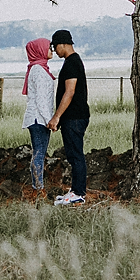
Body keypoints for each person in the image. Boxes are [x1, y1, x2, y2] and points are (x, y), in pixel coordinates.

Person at [48, 28, 90, 206]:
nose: (55, 51)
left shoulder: (72, 63)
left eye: (55, 47)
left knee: (76, 155)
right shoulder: (72, 61)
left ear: (63, 44)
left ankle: (79, 193)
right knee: (73, 155)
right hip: (73, 117)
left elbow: (69, 92)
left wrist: (56, 117)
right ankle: (75, 190)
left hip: (74, 117)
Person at [22, 37, 55, 195]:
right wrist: (50, 120)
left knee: (39, 152)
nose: (52, 50)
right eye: (49, 47)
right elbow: (41, 100)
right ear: (40, 50)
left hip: (38, 117)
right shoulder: (39, 70)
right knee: (39, 153)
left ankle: (38, 186)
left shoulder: (39, 68)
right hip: (39, 118)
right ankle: (38, 188)